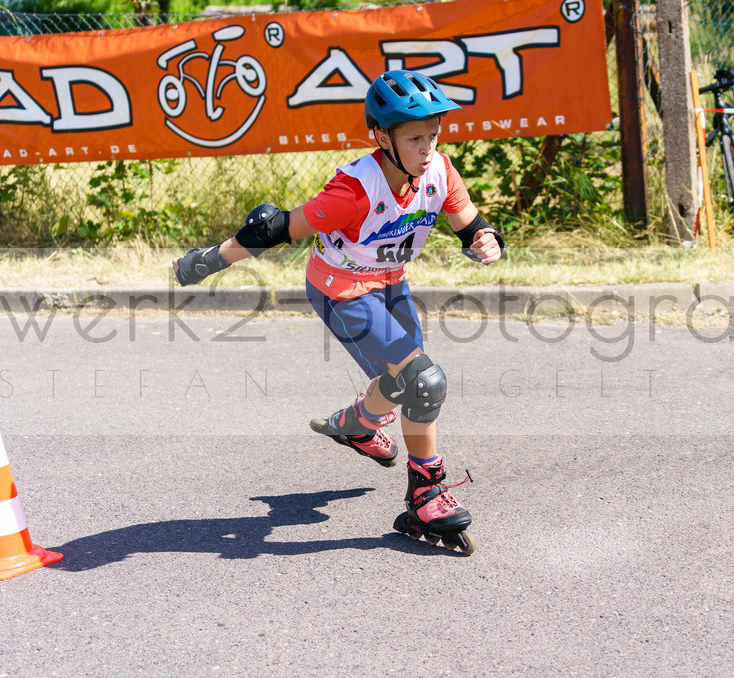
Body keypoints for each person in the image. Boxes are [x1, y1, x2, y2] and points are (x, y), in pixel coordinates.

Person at [171, 70, 505, 555]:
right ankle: (426, 492)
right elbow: (276, 229)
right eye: (414, 137)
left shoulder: (439, 172)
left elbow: (469, 221)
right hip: (342, 291)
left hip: (390, 284)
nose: (427, 147)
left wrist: (484, 238)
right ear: (381, 136)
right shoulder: (352, 192)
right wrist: (205, 261)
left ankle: (357, 424)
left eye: (433, 134)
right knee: (424, 381)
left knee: (400, 383)